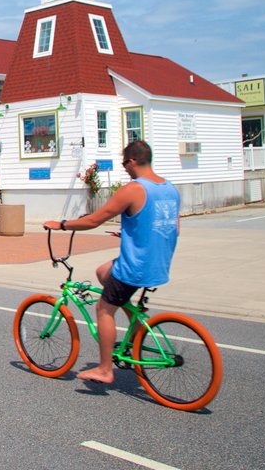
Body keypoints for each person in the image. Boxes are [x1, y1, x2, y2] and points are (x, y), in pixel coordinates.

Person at [43, 140, 180, 384]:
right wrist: (133, 232)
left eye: (124, 163)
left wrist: (61, 224)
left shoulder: (134, 189)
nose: (125, 168)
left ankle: (105, 369)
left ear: (133, 161)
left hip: (135, 267)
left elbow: (95, 220)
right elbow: (172, 228)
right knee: (103, 272)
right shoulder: (170, 188)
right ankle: (135, 335)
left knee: (104, 308)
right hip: (159, 264)